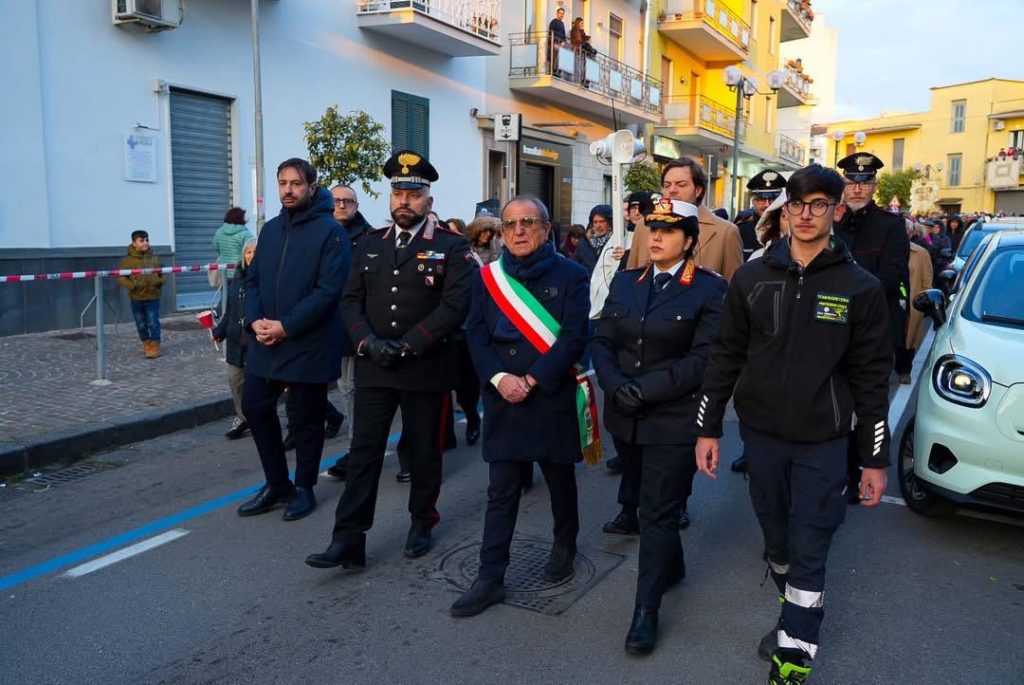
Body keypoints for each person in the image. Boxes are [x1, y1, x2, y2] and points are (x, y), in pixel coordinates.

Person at [695, 164, 893, 685]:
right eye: (798, 204)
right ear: (784, 209)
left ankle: (795, 654)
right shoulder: (752, 278)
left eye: (819, 205)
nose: (807, 215)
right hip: (761, 435)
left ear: (837, 209)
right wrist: (708, 426)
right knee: (776, 538)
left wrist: (874, 458)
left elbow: (873, 380)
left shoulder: (860, 287)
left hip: (824, 441)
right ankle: (794, 606)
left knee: (811, 540)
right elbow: (725, 355)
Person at [305, 150, 473, 570]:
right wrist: (367, 343)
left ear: (428, 201)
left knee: (424, 453)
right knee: (364, 453)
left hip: (425, 367)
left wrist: (411, 344)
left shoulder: (451, 247)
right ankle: (348, 538)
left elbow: (455, 305)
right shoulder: (369, 244)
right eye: (398, 192)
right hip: (376, 365)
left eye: (413, 194)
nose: (404, 201)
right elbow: (350, 302)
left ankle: (422, 521)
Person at [592, 198, 726, 654]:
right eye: (651, 228)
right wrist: (614, 385)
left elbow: (705, 359)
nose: (655, 237)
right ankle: (673, 564)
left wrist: (645, 390)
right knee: (651, 504)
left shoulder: (709, 289)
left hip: (673, 419)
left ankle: (644, 611)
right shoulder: (627, 282)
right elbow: (603, 341)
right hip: (625, 418)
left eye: (668, 231)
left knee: (657, 511)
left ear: (689, 241)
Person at [449, 195, 591, 618]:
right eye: (511, 224)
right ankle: (490, 576)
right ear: (502, 231)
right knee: (501, 490)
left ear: (547, 230)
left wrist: (532, 379)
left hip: (549, 394)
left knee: (559, 479)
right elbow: (475, 333)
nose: (520, 231)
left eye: (529, 222)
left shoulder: (572, 275)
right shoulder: (488, 278)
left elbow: (573, 337)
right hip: (503, 397)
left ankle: (564, 544)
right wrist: (498, 378)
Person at [236, 158, 350, 522]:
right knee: (254, 406)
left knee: (305, 418)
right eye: (282, 183)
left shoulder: (331, 232)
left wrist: (286, 325)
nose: (287, 190)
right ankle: (277, 484)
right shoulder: (269, 230)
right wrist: (255, 321)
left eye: (296, 184)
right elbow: (251, 281)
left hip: (307, 341)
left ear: (312, 187)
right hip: (265, 340)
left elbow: (328, 291)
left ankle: (304, 487)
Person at [834, 152, 909, 502]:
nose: (858, 189)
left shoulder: (891, 225)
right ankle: (836, 469)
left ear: (874, 186)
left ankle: (859, 470)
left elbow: (890, 279)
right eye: (851, 182)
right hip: (831, 326)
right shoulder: (830, 220)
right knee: (834, 401)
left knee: (866, 404)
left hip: (870, 328)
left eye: (864, 182)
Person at [325, 184, 374, 481]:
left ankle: (358, 452)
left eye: (348, 201)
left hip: (356, 328)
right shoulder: (321, 232)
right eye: (337, 201)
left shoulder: (367, 238)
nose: (342, 205)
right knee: (344, 389)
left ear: (356, 205)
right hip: (328, 327)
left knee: (352, 390)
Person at [657, 157, 745, 281]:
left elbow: (733, 289)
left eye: (681, 185)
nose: (672, 190)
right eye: (667, 185)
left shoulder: (725, 232)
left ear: (698, 190)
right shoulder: (644, 227)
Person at [213, 238, 257, 439]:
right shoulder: (237, 279)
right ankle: (243, 418)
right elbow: (230, 310)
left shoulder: (267, 278)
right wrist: (219, 331)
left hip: (257, 342)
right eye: (248, 252)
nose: (251, 256)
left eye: (256, 252)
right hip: (236, 343)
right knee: (235, 380)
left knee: (261, 386)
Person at [117, 230, 165, 359]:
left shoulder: (155, 258)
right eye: (141, 241)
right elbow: (121, 277)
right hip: (137, 298)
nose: (145, 243)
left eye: (147, 240)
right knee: (141, 323)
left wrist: (159, 281)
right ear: (134, 243)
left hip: (153, 296)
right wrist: (133, 285)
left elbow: (163, 273)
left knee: (153, 321)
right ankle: (146, 342)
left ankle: (155, 344)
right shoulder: (127, 261)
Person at [897, 220, 934, 385]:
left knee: (908, 338)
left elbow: (927, 280)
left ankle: (905, 370)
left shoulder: (921, 253)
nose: (903, 232)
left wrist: (924, 302)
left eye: (906, 229)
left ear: (912, 233)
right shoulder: (886, 249)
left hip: (911, 303)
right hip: (890, 301)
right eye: (900, 229)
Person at [736, 170, 785, 261]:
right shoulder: (742, 229)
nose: (767, 205)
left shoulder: (787, 228)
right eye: (762, 199)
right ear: (753, 202)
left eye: (773, 199)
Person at [212, 207, 252, 287]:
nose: (245, 218)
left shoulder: (219, 232)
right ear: (239, 218)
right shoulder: (245, 234)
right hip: (239, 272)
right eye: (244, 216)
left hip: (223, 272)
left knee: (225, 296)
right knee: (238, 297)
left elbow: (215, 247)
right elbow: (251, 252)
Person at [572, 204, 614, 274]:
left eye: (602, 221)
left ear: (610, 222)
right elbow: (574, 265)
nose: (598, 225)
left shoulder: (616, 241)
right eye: (595, 222)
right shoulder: (584, 242)